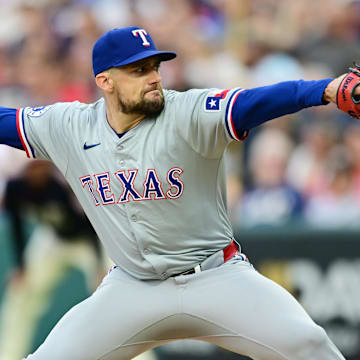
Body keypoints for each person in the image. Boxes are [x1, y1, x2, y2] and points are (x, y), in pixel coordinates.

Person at [0, 26, 354, 360]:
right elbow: (5, 120)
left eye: (155, 66)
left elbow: (254, 101)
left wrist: (325, 89)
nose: (154, 76)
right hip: (132, 288)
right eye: (138, 70)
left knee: (309, 344)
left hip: (217, 279)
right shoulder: (69, 126)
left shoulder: (188, 111)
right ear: (104, 81)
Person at [0, 160, 102, 360]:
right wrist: (21, 266)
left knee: (111, 291)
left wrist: (100, 265)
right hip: (53, 238)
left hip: (92, 239)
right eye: (30, 165)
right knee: (21, 292)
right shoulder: (16, 185)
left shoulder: (65, 178)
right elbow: (16, 223)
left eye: (39, 164)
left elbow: (93, 220)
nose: (35, 170)